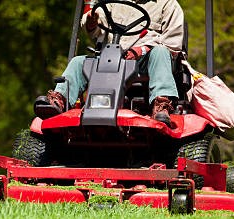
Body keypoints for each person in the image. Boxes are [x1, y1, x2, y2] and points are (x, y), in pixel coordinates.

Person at [34, 0, 185, 127]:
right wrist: (92, 21)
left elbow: (173, 44)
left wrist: (143, 49)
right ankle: (59, 100)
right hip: (113, 56)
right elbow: (96, 26)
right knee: (79, 62)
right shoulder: (114, 2)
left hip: (147, 61)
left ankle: (161, 105)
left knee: (160, 52)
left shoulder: (168, 4)